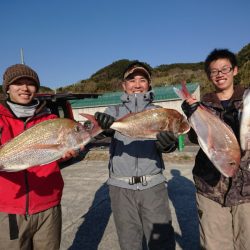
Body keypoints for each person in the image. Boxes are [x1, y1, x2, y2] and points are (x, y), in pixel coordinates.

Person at [94, 61, 176, 250]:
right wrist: (103, 129)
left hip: (153, 185)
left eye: (142, 80)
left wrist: (168, 145)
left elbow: (171, 140)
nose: (137, 85)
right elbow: (94, 134)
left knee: (161, 242)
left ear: (149, 84)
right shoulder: (113, 112)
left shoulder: (159, 113)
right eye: (131, 80)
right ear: (124, 86)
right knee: (129, 242)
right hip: (120, 188)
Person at [0, 64, 80, 249]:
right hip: (8, 209)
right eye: (18, 83)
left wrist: (66, 154)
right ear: (7, 88)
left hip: (48, 206)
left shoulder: (51, 120)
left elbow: (53, 154)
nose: (25, 88)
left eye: (30, 83)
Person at [181, 49, 250, 249]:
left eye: (224, 69)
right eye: (214, 71)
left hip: (247, 191)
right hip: (211, 189)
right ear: (209, 76)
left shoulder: (247, 101)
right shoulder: (203, 105)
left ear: (235, 70)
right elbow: (195, 138)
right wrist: (193, 116)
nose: (220, 74)